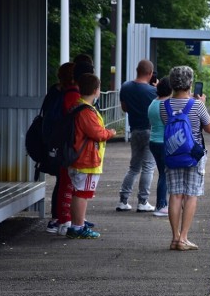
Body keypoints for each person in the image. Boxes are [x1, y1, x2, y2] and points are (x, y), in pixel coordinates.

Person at [160, 66, 210, 251]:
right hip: (194, 155)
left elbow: (166, 124)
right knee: (191, 195)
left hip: (172, 153)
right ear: (190, 83)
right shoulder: (197, 105)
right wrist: (202, 104)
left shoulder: (164, 105)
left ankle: (174, 238)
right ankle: (184, 238)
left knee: (175, 195)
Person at [46, 56, 96, 235]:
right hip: (71, 147)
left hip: (62, 143)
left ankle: (69, 219)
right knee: (69, 185)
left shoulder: (59, 91)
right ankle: (65, 220)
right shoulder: (74, 95)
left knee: (66, 183)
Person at [66, 73, 117, 239]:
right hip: (87, 160)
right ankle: (78, 227)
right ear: (96, 91)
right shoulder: (86, 112)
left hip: (80, 159)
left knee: (79, 192)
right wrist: (111, 132)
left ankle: (76, 223)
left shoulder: (77, 106)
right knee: (82, 194)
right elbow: (97, 133)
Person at [117, 59, 157, 212]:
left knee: (134, 167)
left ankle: (123, 200)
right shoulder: (153, 92)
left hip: (134, 131)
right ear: (150, 73)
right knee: (148, 167)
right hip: (150, 131)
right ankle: (143, 201)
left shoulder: (126, 87)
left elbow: (125, 108)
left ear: (137, 70)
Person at [148, 77, 172, 217]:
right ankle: (161, 205)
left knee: (162, 173)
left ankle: (161, 204)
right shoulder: (166, 105)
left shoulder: (153, 103)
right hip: (163, 142)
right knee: (165, 174)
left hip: (153, 141)